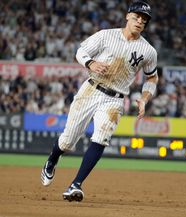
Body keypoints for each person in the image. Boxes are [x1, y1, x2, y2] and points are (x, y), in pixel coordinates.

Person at [41, 1, 158, 202]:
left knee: (101, 138)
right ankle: (52, 160)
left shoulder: (148, 51)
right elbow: (80, 51)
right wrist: (91, 62)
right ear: (127, 16)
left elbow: (152, 77)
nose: (140, 21)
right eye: (137, 16)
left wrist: (144, 98)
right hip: (91, 90)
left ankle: (75, 185)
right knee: (68, 141)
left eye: (144, 19)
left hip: (115, 99)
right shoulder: (106, 35)